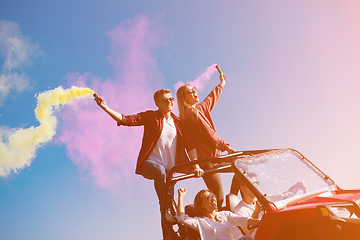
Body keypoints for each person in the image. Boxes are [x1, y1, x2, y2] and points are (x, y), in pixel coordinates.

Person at [93, 89, 204, 239]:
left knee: (166, 204)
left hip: (169, 172)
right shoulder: (151, 116)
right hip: (150, 164)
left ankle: (169, 236)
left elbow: (190, 145)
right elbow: (127, 120)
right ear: (157, 103)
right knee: (160, 172)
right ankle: (168, 220)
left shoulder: (178, 123)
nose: (169, 102)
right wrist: (106, 108)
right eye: (165, 100)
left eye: (171, 99)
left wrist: (196, 166)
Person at [176, 70, 235, 208]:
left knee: (243, 168)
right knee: (218, 197)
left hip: (216, 158)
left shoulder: (200, 108)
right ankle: (218, 216)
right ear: (184, 98)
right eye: (190, 91)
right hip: (207, 161)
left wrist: (222, 83)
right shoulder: (190, 113)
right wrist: (226, 147)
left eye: (194, 89)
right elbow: (209, 133)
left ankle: (231, 204)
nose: (194, 92)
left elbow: (211, 97)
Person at [176, 188, 259, 240]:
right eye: (209, 198)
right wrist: (181, 197)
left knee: (248, 238)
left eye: (214, 196)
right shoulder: (200, 222)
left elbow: (244, 221)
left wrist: (261, 221)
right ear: (201, 205)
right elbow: (181, 218)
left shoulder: (226, 214)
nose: (213, 199)